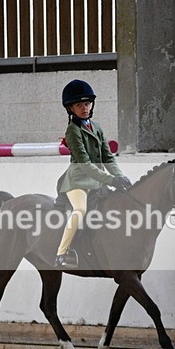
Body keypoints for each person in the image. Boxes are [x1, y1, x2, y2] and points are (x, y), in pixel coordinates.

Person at [55, 79, 131, 269]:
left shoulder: (96, 127)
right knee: (80, 210)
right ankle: (62, 253)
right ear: (70, 108)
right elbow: (86, 165)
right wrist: (111, 179)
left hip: (97, 181)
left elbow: (108, 157)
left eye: (87, 103)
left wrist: (120, 178)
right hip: (78, 181)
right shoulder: (73, 130)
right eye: (79, 105)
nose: (85, 108)